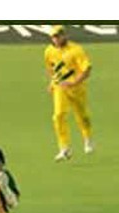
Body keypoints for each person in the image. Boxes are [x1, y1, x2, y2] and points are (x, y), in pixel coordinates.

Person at [44, 25, 94, 161]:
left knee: (82, 115)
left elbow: (87, 69)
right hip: (60, 87)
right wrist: (52, 82)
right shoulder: (49, 51)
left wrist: (74, 83)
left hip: (77, 88)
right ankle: (64, 147)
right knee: (58, 115)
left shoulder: (76, 50)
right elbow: (50, 68)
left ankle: (87, 138)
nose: (55, 39)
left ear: (64, 35)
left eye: (58, 36)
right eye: (53, 37)